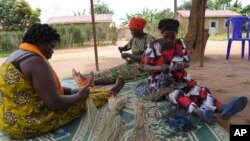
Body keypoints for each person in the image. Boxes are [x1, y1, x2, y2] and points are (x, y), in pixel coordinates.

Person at [0, 23, 125, 139]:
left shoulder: (15, 56)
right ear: (40, 43)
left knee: (79, 93)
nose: (53, 51)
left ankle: (99, 91)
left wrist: (73, 90)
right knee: (84, 101)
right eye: (52, 46)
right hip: (25, 124)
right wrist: (79, 95)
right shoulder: (36, 61)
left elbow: (42, 89)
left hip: (8, 121)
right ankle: (111, 92)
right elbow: (55, 103)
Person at [140, 18, 248, 124]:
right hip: (160, 81)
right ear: (161, 33)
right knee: (176, 93)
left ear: (176, 34)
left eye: (172, 37)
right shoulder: (153, 46)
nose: (169, 40)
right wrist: (159, 68)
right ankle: (200, 113)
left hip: (179, 77)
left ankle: (222, 108)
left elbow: (187, 62)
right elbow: (145, 66)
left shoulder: (179, 44)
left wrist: (180, 65)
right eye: (166, 37)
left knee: (197, 90)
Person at [72, 17, 155, 87]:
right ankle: (85, 78)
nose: (131, 32)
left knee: (119, 74)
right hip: (133, 63)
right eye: (131, 30)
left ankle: (90, 83)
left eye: (133, 30)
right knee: (112, 70)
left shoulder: (149, 39)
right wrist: (122, 49)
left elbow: (147, 58)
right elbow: (127, 46)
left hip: (144, 67)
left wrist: (129, 55)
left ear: (139, 29)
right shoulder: (135, 38)